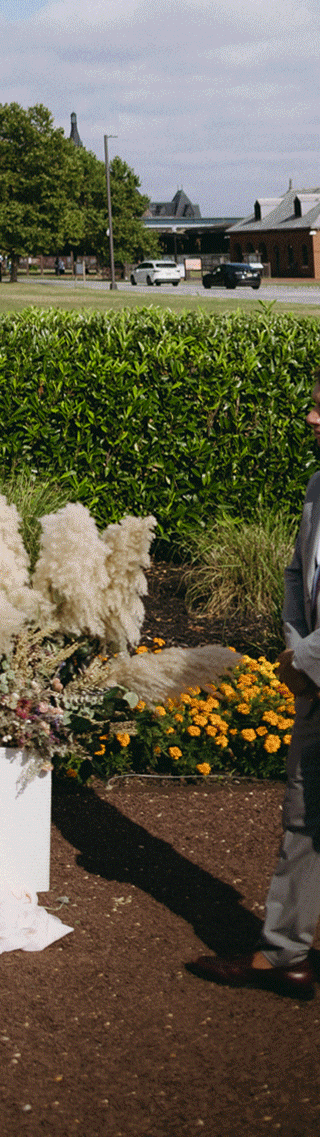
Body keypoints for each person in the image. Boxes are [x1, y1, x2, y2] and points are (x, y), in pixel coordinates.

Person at [190, 373, 320, 1000]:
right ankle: (285, 954)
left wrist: (310, 660)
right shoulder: (318, 489)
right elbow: (298, 572)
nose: (312, 419)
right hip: (318, 681)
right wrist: (300, 652)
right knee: (304, 818)